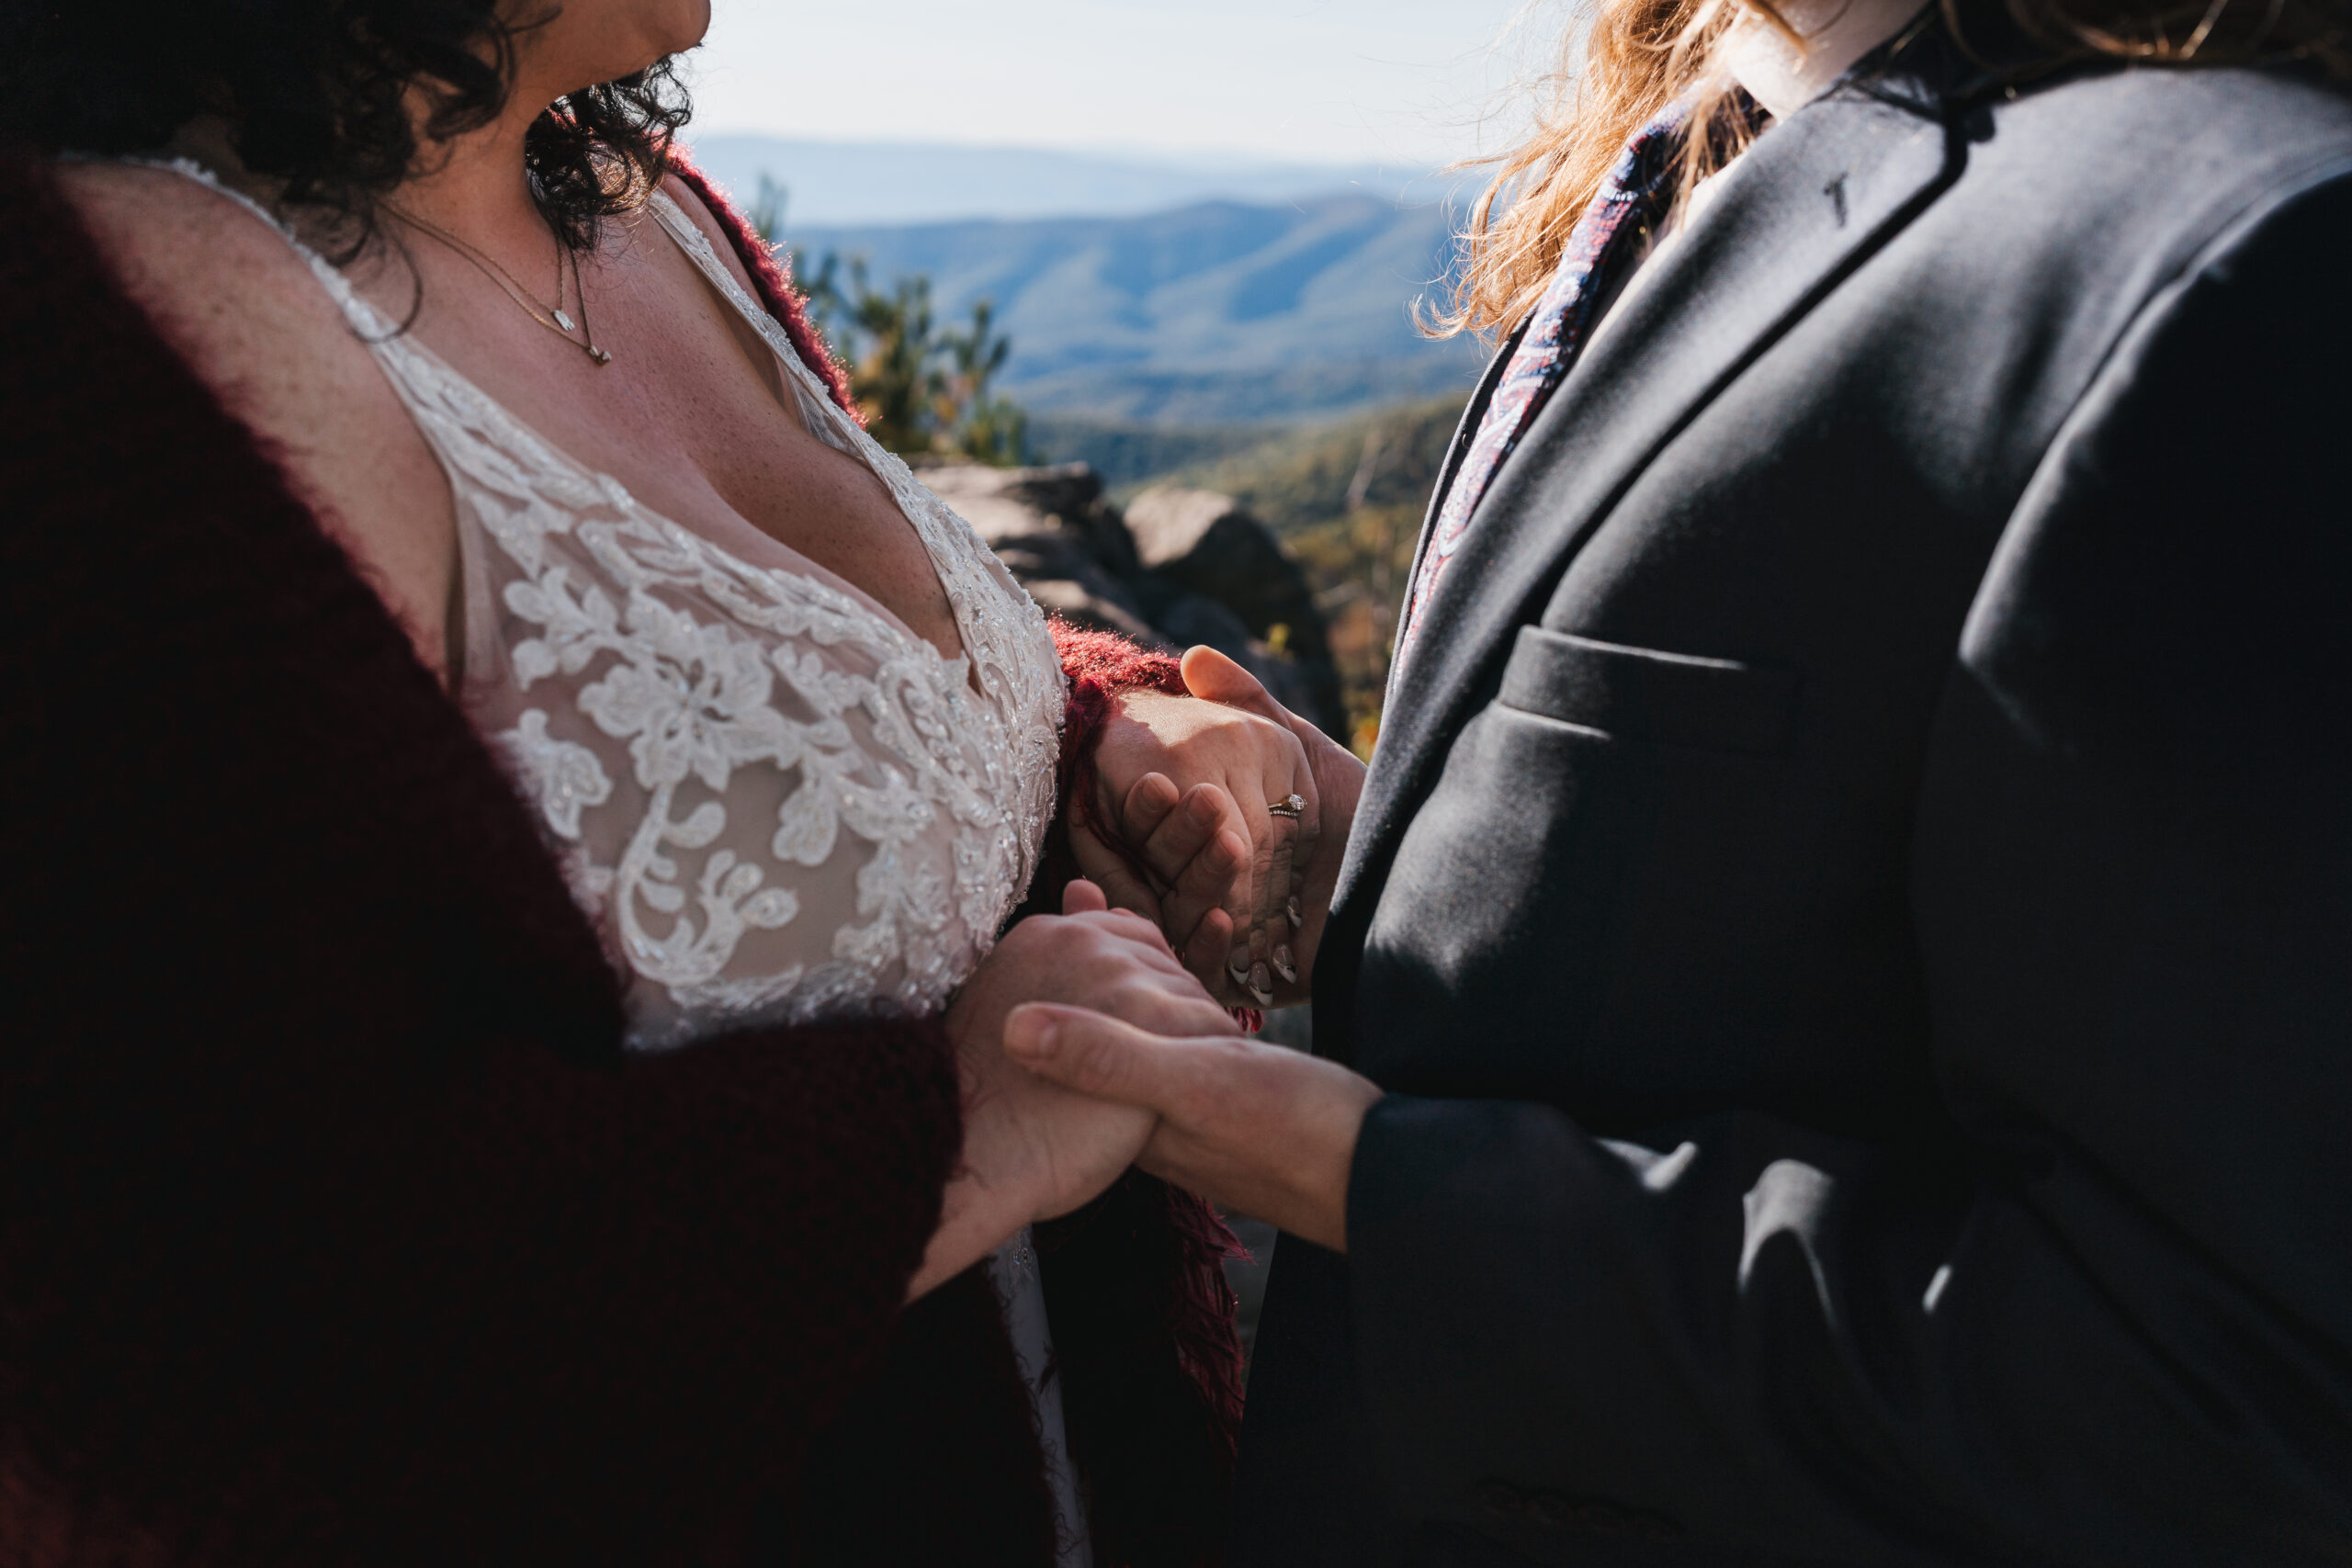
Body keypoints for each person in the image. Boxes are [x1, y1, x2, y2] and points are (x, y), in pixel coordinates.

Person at [1007, 0, 2352, 1559]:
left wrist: (1355, 1175)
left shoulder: (2241, 269)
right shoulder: (1707, 139)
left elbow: (2212, 1405)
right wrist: (1372, 858)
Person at [0, 0, 1324, 1563]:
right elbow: (200, 1324)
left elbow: (791, 690)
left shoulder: (641, 205)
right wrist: (951, 1130)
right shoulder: (115, 337)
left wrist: (1098, 732)